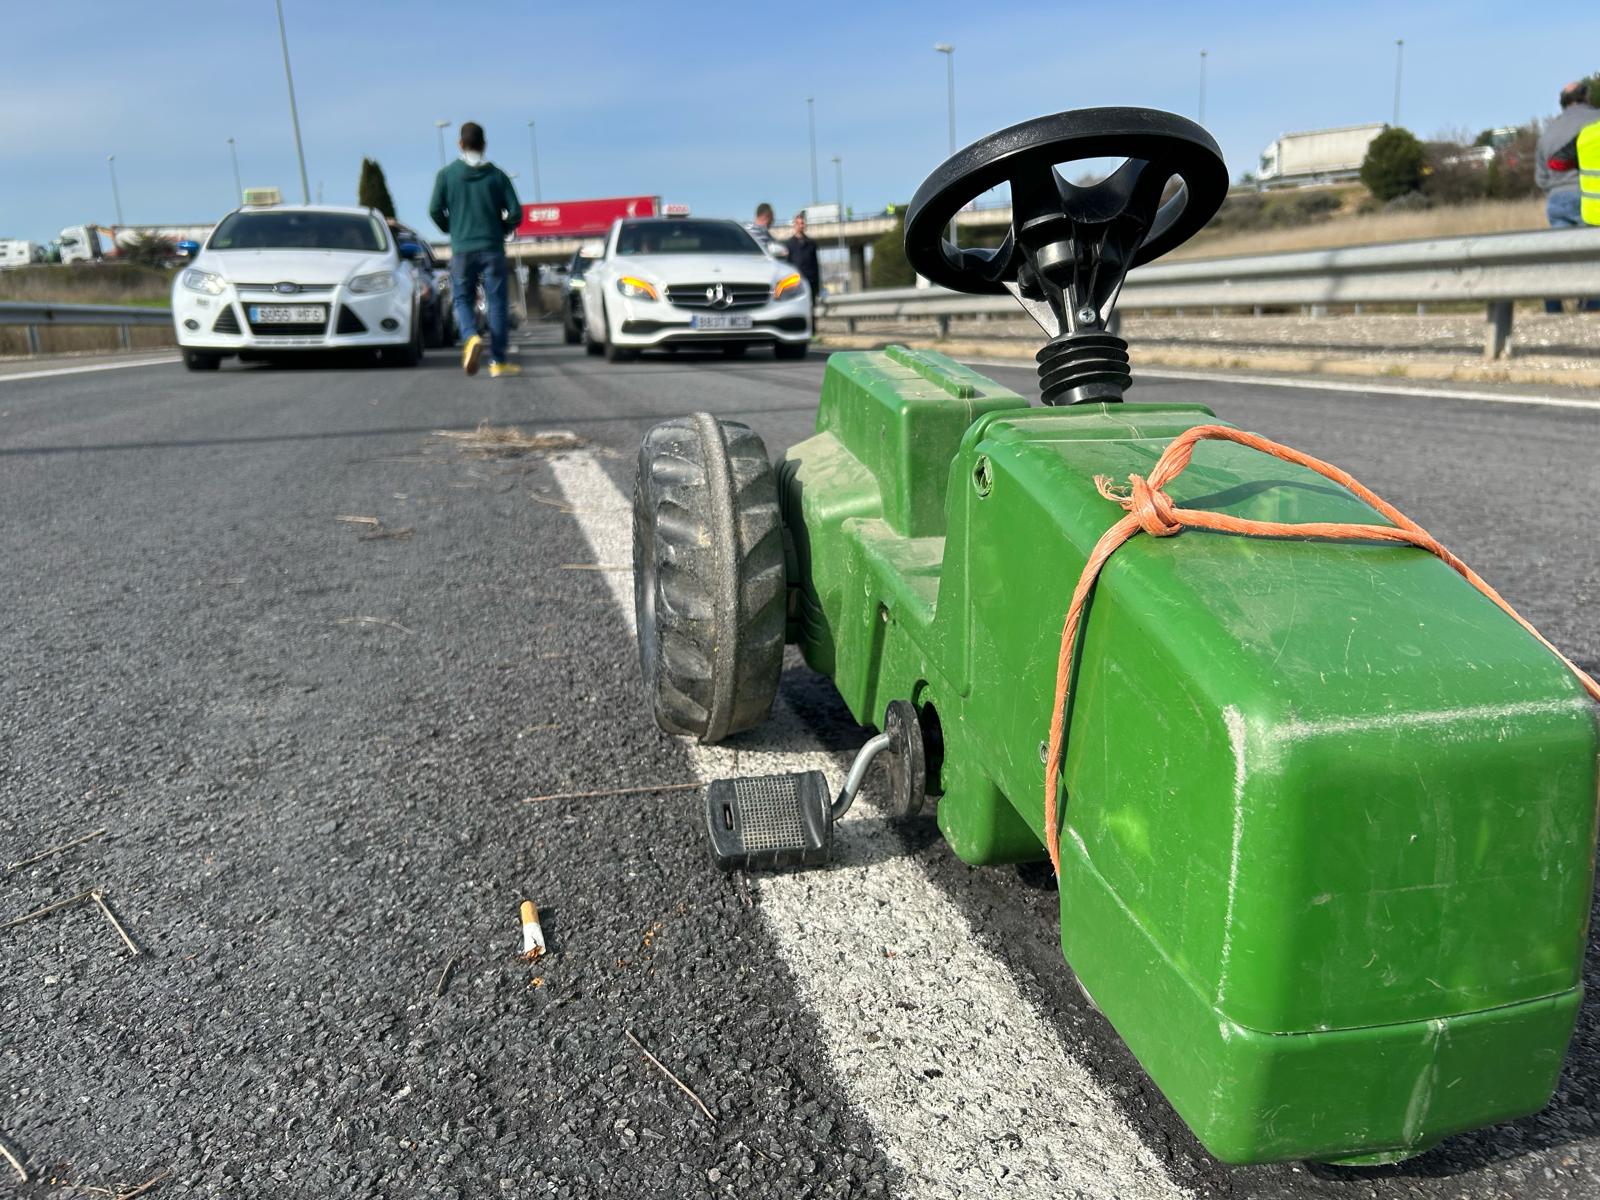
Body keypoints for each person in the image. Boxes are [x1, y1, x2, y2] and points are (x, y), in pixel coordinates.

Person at [428, 121, 523, 376]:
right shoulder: (497, 176)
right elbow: (516, 213)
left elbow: (434, 210)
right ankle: (498, 362)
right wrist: (501, 229)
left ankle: (470, 336)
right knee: (497, 303)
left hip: (461, 250)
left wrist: (452, 228)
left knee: (462, 298)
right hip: (492, 249)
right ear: (484, 144)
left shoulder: (447, 175)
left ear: (460, 144)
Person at [1535, 81, 1600, 313]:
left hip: (1557, 201)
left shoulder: (1549, 131)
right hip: (1590, 198)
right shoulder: (1596, 120)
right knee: (1594, 258)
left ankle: (1555, 311)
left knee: (1563, 259)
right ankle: (1592, 310)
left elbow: (1541, 178)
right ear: (1586, 96)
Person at [785, 211, 821, 310]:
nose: (801, 225)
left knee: (811, 311)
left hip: (810, 283)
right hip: (796, 284)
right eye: (799, 223)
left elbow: (816, 265)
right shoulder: (789, 244)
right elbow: (788, 265)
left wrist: (818, 286)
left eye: (803, 223)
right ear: (795, 225)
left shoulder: (811, 243)